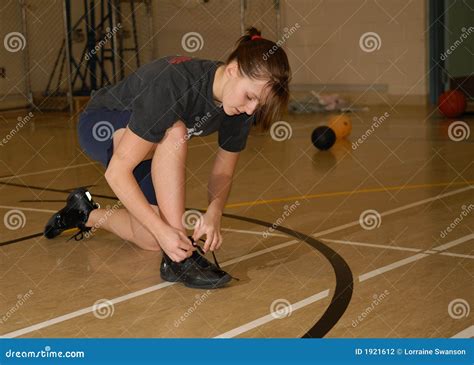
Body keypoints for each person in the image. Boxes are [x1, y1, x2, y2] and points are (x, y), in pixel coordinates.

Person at [44, 27, 291, 289]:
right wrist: (168, 232)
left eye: (259, 105)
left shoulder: (240, 109)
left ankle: (83, 213)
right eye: (251, 97)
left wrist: (214, 212)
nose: (252, 109)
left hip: (151, 139)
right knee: (175, 132)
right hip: (103, 121)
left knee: (151, 240)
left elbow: (223, 172)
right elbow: (117, 173)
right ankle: (180, 262)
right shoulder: (174, 84)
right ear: (232, 70)